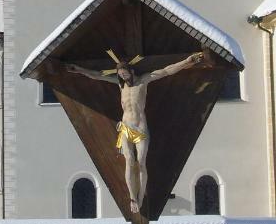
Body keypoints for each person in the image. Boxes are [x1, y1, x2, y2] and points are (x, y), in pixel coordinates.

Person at [65, 52, 203, 213]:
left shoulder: (143, 81)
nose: (123, 77)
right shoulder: (121, 85)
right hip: (126, 127)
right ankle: (132, 197)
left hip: (140, 127)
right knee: (129, 160)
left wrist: (187, 61)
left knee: (141, 162)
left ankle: (141, 195)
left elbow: (166, 70)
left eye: (124, 74)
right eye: (120, 75)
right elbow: (97, 75)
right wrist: (79, 69)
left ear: (131, 71)